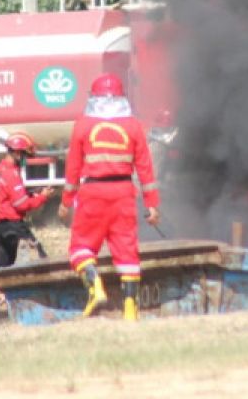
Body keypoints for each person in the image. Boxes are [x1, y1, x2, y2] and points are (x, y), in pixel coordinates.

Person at [58, 72, 161, 321]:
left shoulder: (83, 124)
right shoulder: (134, 126)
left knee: (81, 247)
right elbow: (145, 169)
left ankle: (95, 289)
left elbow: (73, 168)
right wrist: (152, 205)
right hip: (124, 194)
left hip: (92, 193)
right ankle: (129, 311)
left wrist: (66, 202)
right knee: (127, 254)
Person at [0, 131, 55, 302]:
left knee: (2, 269)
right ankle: (49, 290)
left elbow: (5, 197)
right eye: (24, 156)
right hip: (13, 225)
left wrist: (31, 194)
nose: (25, 160)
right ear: (16, 153)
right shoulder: (11, 174)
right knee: (39, 255)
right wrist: (43, 197)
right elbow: (21, 204)